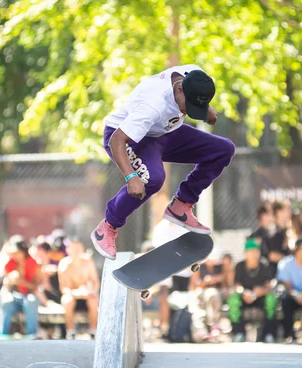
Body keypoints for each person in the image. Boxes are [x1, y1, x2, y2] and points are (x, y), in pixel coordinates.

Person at [91, 65, 235, 259]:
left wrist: (205, 108)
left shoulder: (195, 76)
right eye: (188, 106)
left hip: (164, 134)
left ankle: (181, 204)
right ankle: (107, 227)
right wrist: (131, 176)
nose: (187, 111)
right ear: (179, 89)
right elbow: (116, 140)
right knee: (153, 178)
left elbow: (196, 98)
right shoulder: (153, 105)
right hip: (128, 137)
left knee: (223, 149)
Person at [228, 239, 277, 342]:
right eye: (251, 252)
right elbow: (237, 285)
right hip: (245, 297)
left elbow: (269, 286)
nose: (254, 254)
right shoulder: (239, 266)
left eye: (256, 251)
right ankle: (239, 333)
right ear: (245, 253)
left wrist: (260, 292)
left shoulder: (264, 265)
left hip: (260, 297)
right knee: (233, 300)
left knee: (271, 299)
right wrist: (244, 293)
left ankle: (269, 334)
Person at [0, 236, 41, 336]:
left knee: (31, 301)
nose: (15, 255)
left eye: (17, 252)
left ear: (23, 251)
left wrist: (21, 282)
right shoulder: (9, 263)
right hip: (13, 296)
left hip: (28, 295)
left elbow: (35, 286)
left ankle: (32, 335)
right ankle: (2, 335)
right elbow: (5, 285)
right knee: (6, 301)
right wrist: (9, 281)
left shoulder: (34, 264)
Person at [58, 240, 100, 339]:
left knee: (94, 300)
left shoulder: (88, 261)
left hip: (87, 294)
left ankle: (93, 331)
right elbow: (63, 288)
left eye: (79, 247)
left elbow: (95, 281)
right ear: (68, 249)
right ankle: (70, 332)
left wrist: (91, 292)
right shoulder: (64, 264)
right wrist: (76, 293)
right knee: (67, 301)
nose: (77, 250)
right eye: (74, 248)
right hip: (72, 295)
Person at [262, 200, 290, 277]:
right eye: (286, 209)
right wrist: (292, 262)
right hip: (276, 275)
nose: (289, 212)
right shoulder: (273, 233)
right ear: (279, 212)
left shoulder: (289, 230)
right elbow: (272, 256)